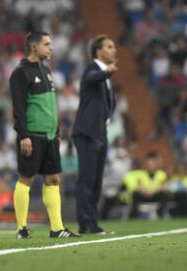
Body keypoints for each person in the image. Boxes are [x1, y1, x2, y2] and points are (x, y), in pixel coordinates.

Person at [9, 31, 80, 239]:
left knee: (53, 179)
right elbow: (19, 108)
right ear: (33, 46)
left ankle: (57, 228)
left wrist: (57, 132)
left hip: (50, 136)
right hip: (31, 134)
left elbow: (50, 105)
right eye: (47, 44)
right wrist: (23, 135)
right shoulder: (20, 73)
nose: (51, 48)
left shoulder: (47, 71)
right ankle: (21, 228)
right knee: (26, 178)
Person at [72, 34, 118, 234]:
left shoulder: (105, 75)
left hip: (100, 131)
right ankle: (84, 222)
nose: (113, 50)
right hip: (87, 132)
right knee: (87, 178)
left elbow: (108, 102)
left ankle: (93, 220)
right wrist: (106, 72)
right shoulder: (94, 69)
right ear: (99, 51)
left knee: (97, 180)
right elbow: (89, 78)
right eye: (109, 46)